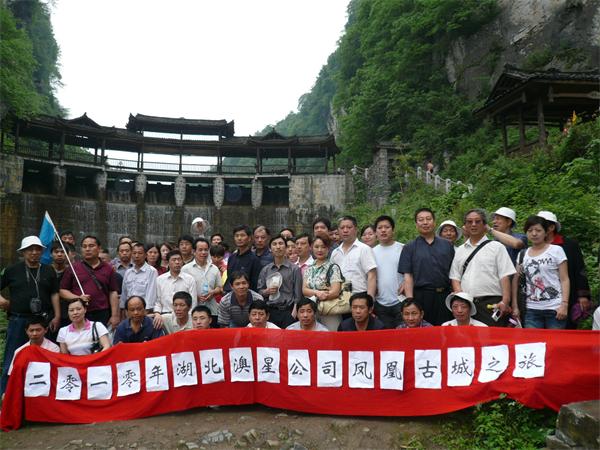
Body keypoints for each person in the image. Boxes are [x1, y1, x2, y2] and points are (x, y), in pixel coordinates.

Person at [0, 235, 60, 396]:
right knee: (12, 357)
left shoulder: (48, 270)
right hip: (19, 320)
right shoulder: (12, 270)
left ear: (41, 251)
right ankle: (5, 395)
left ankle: (45, 394)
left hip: (43, 320)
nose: (34, 252)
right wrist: (3, 301)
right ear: (23, 252)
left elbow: (54, 293)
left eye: (37, 249)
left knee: (46, 357)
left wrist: (57, 315)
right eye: (30, 249)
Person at [450, 209, 516, 326]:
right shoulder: (460, 250)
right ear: (465, 226)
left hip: (491, 304)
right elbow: (455, 277)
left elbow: (505, 276)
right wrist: (461, 299)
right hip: (467, 305)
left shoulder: (497, 247)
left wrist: (505, 301)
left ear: (485, 225)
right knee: (467, 337)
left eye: (477, 221)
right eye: (469, 222)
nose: (473, 224)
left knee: (492, 336)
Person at [397, 208, 455, 325]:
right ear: (416, 224)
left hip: (444, 296)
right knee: (423, 331)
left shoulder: (447, 245)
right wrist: (410, 301)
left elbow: (454, 272)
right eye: (421, 220)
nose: (425, 222)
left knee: (444, 329)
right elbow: (408, 276)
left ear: (434, 222)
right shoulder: (409, 247)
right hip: (421, 296)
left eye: (428, 219)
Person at [537, 210, 591, 328]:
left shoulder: (570, 245)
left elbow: (579, 269)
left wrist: (583, 295)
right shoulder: (535, 246)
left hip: (568, 295)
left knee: (566, 328)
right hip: (542, 298)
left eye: (540, 226)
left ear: (551, 227)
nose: (536, 231)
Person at [514, 216, 569, 329]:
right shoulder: (522, 254)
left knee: (555, 340)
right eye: (530, 230)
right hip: (531, 309)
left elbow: (565, 279)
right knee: (533, 340)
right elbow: (515, 281)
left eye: (538, 230)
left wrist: (564, 304)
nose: (534, 234)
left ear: (546, 232)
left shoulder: (556, 250)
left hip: (555, 308)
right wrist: (515, 306)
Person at [60, 235, 120, 328]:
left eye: (91, 246)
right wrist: (78, 298)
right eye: (84, 246)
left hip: (102, 313)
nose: (87, 249)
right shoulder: (73, 268)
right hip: (78, 312)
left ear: (99, 248)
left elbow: (113, 292)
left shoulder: (108, 268)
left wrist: (115, 315)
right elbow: (62, 291)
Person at [257, 236, 303, 328]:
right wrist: (266, 291)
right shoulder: (266, 270)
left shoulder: (295, 269)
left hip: (288, 311)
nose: (278, 247)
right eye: (274, 244)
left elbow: (298, 295)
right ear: (270, 249)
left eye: (281, 244)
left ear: (286, 248)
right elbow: (259, 291)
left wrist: (293, 315)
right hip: (270, 311)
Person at [302, 235, 344, 331]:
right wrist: (317, 293)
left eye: (323, 247)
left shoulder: (333, 267)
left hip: (329, 310)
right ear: (311, 248)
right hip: (312, 311)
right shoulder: (309, 268)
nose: (319, 250)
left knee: (332, 337)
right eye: (316, 247)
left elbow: (335, 292)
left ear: (328, 248)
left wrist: (320, 295)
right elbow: (304, 290)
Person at [331, 215, 377, 298]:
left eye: (349, 227)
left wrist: (370, 300)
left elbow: (372, 275)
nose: (345, 230)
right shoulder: (335, 253)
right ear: (338, 230)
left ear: (356, 229)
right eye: (342, 228)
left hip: (360, 297)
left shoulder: (364, 249)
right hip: (340, 299)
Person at [372, 215, 404, 328]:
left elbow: (412, 271)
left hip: (400, 300)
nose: (383, 230)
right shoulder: (371, 252)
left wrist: (406, 282)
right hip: (380, 302)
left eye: (387, 227)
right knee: (385, 335)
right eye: (380, 228)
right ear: (375, 232)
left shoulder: (403, 248)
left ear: (393, 230)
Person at [182, 237, 223, 325]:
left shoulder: (214, 268)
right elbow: (182, 291)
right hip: (193, 312)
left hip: (212, 311)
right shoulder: (186, 269)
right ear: (194, 251)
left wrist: (213, 292)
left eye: (206, 250)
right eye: (200, 250)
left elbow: (219, 288)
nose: (203, 252)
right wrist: (195, 296)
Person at [154, 250, 197, 314]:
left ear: (182, 262)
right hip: (165, 314)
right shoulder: (160, 280)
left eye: (179, 260)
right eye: (174, 260)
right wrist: (157, 313)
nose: (177, 262)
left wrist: (189, 316)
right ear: (168, 263)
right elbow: (157, 301)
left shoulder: (190, 279)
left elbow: (193, 302)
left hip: (184, 315)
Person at [120, 242, 158, 313]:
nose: (136, 256)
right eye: (134, 253)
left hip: (144, 311)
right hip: (129, 310)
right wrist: (123, 310)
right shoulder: (128, 272)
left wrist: (145, 312)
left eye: (140, 253)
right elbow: (124, 293)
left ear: (145, 255)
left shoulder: (152, 271)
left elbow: (151, 294)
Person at [224, 225, 262, 292]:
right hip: (230, 294)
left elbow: (255, 284)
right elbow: (229, 279)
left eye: (242, 235)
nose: (239, 238)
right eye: (237, 236)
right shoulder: (231, 258)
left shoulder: (254, 260)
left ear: (249, 238)